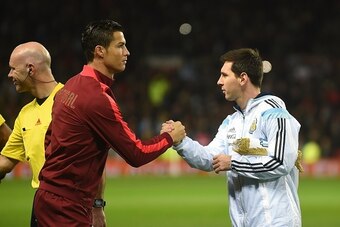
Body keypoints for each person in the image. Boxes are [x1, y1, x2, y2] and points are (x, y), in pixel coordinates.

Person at [34, 19, 185, 226]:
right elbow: (136, 153)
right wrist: (171, 137)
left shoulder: (69, 86)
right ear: (100, 51)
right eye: (120, 45)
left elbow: (49, 141)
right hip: (67, 208)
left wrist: (96, 205)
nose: (127, 52)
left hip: (47, 199)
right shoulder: (96, 97)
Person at [165, 48, 302, 227]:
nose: (219, 82)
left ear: (242, 78)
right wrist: (181, 142)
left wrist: (234, 163)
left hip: (276, 222)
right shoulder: (231, 122)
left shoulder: (275, 113)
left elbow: (280, 162)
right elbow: (210, 159)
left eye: (224, 75)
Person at [0, 42, 64, 226]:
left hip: (71, 206)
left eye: (13, 69)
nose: (9, 74)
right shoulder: (25, 114)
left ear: (30, 69)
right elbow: (5, 161)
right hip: (40, 205)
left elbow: (94, 158)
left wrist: (97, 205)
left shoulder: (71, 100)